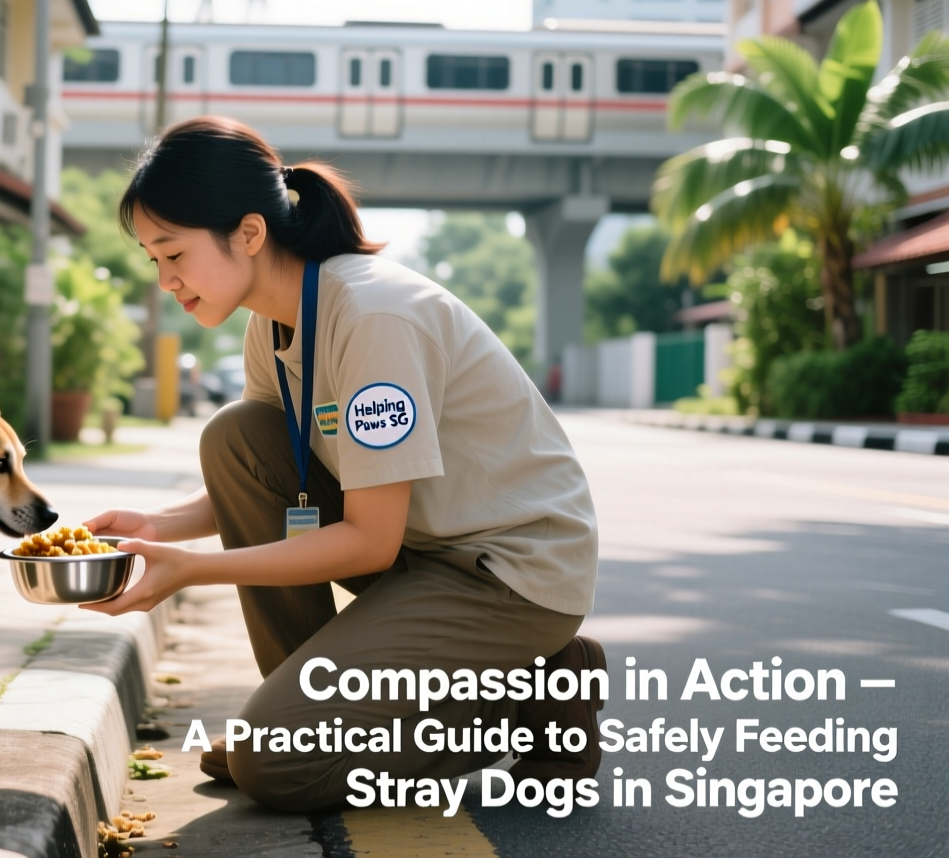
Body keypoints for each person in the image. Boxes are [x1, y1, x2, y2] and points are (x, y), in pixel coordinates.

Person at [80, 116, 605, 812]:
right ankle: (306, 721)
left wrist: (194, 572)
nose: (165, 280)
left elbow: (369, 537)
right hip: (420, 553)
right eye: (154, 260)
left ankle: (537, 696)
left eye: (173, 254)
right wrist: (158, 525)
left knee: (278, 769)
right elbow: (266, 477)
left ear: (249, 233)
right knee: (235, 437)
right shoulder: (274, 320)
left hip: (505, 575)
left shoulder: (372, 315)